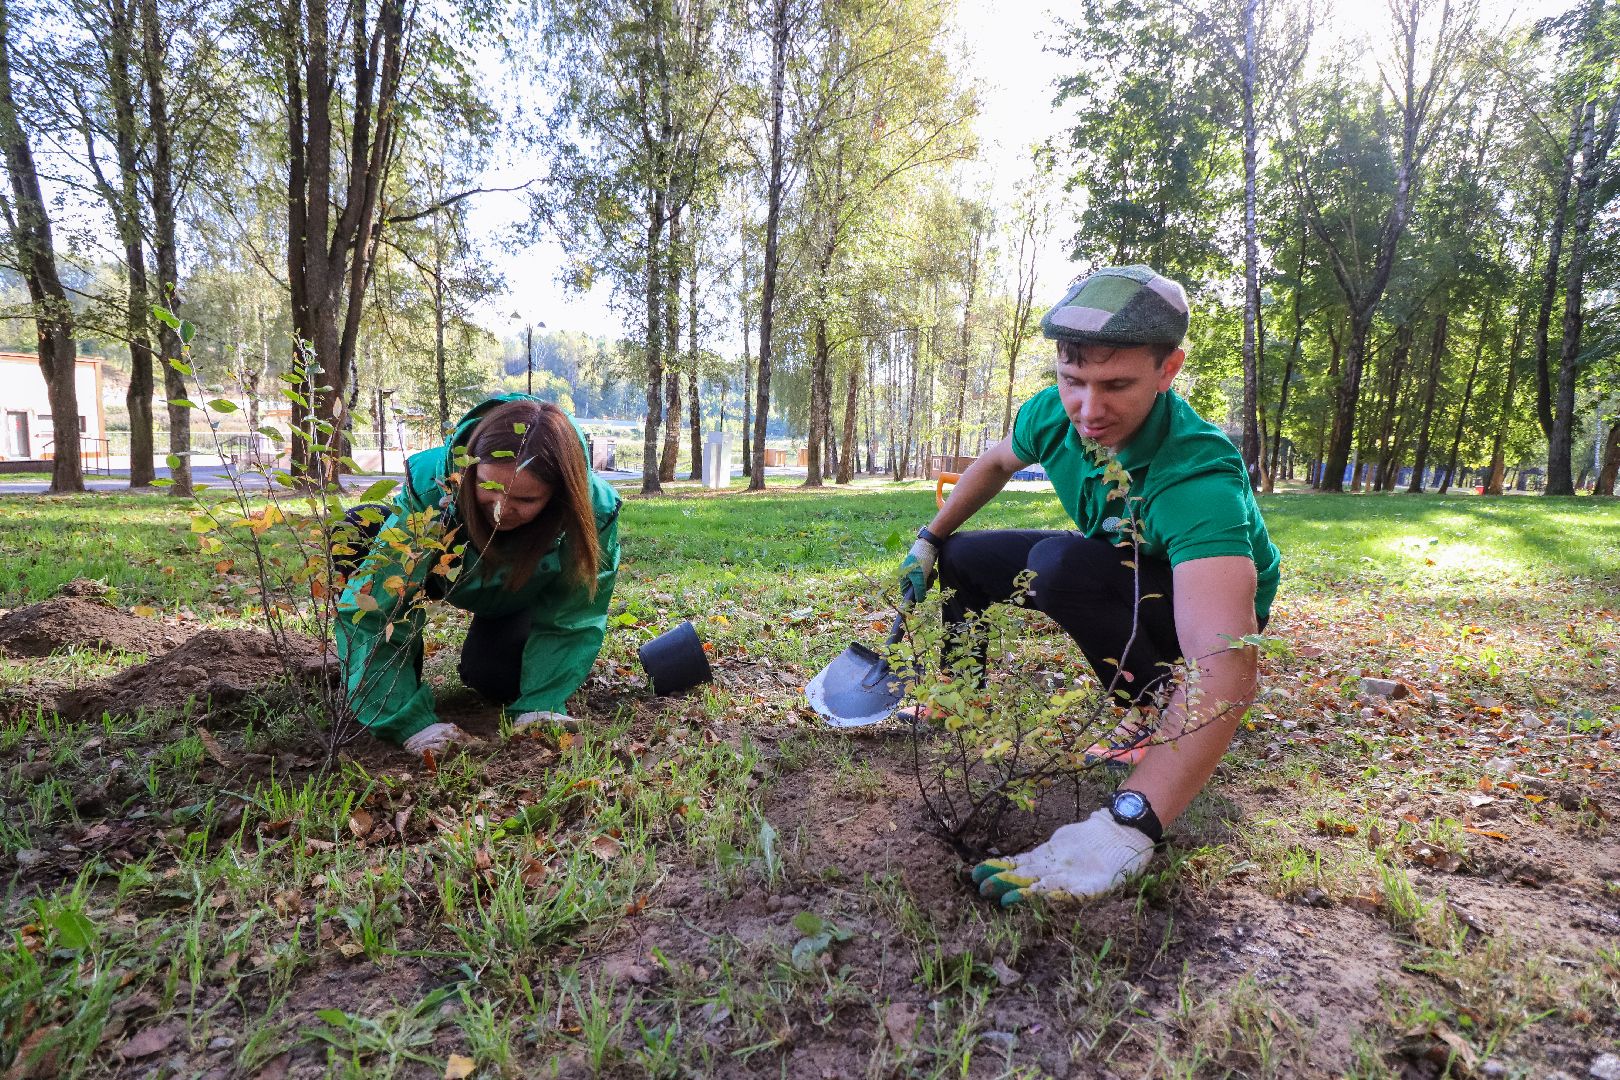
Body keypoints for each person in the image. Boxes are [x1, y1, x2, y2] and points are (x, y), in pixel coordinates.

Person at [896, 264, 1281, 905]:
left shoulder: (1197, 476)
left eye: (1116, 385)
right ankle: (957, 695)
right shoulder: (1055, 416)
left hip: (1191, 602)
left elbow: (1227, 668)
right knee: (964, 558)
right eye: (1073, 381)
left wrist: (1129, 822)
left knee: (1060, 567)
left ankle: (1153, 715)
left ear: (1169, 370)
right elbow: (994, 464)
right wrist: (930, 539)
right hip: (1118, 566)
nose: (1089, 411)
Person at [336, 395, 621, 756]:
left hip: (513, 596)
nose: (502, 511)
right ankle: (376, 677)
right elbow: (373, 611)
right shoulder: (433, 488)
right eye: (489, 488)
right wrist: (407, 724)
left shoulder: (593, 512)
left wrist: (541, 703)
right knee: (356, 531)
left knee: (496, 677)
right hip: (437, 578)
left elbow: (574, 618)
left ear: (558, 495)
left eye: (525, 500)